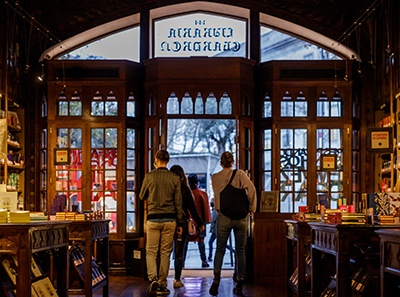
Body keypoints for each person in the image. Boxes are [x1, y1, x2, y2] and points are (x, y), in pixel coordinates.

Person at [209, 151, 257, 296]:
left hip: (223, 216)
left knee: (220, 249)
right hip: (241, 217)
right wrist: (251, 209)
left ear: (221, 162)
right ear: (233, 161)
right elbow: (252, 189)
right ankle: (240, 284)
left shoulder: (215, 177)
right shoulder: (240, 174)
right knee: (240, 251)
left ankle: (216, 279)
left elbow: (218, 197)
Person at [139, 150, 183, 296]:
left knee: (151, 251)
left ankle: (152, 279)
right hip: (170, 219)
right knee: (165, 252)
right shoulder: (174, 178)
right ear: (168, 160)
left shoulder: (149, 176)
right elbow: (178, 202)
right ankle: (163, 284)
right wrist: (180, 223)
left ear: (156, 159)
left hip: (153, 218)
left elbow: (141, 195)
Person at [170, 165, 205, 288]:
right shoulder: (185, 189)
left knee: (165, 252)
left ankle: (160, 278)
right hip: (182, 223)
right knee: (179, 252)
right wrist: (200, 223)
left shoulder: (168, 188)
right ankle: (177, 279)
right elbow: (192, 208)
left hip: (168, 221)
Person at [188, 173, 212, 268]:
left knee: (185, 241)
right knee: (201, 241)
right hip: (200, 222)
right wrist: (205, 221)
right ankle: (204, 260)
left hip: (188, 222)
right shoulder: (202, 194)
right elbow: (206, 211)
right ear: (197, 182)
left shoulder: (186, 193)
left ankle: (182, 261)